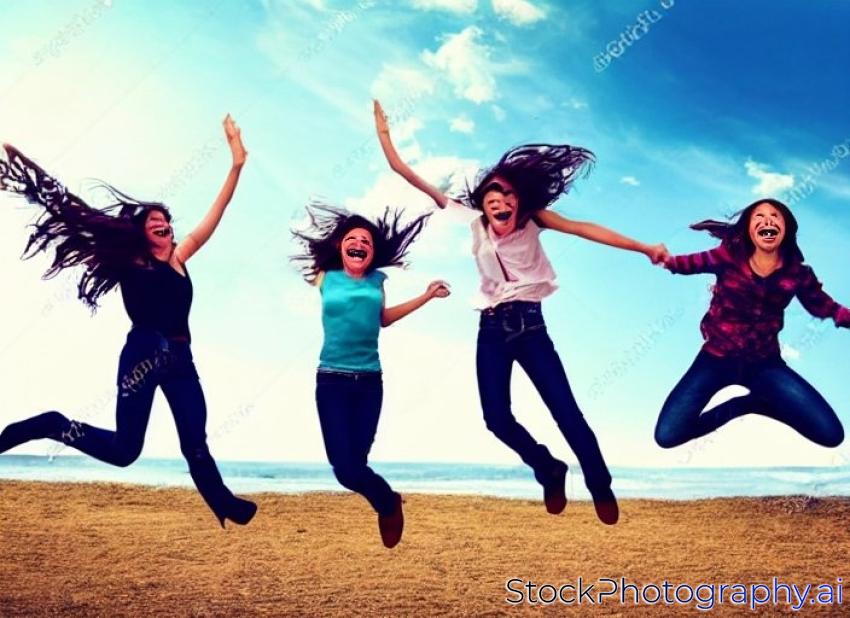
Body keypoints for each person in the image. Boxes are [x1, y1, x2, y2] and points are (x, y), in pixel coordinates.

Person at [373, 100, 669, 524]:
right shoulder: (473, 221)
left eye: (508, 195)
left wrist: (644, 248)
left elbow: (584, 229)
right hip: (491, 328)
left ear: (519, 200)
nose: (501, 202)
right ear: (484, 205)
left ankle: (599, 483)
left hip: (530, 326)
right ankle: (548, 468)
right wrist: (386, 137)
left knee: (565, 411)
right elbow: (408, 174)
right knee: (496, 418)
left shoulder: (534, 219)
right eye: (492, 198)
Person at [0, 116, 257, 528]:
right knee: (126, 451)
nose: (163, 223)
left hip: (181, 359)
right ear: (142, 232)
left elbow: (218, 210)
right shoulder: (131, 261)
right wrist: (32, 177)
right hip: (143, 353)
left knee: (194, 441)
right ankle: (51, 425)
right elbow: (74, 213)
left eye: (165, 220)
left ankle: (222, 501)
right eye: (153, 222)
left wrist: (236, 164)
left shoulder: (180, 257)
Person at [292, 202, 449, 547]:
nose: (359, 243)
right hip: (331, 380)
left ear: (372, 252)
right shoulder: (324, 276)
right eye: (352, 238)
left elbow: (384, 319)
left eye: (366, 241)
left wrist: (426, 296)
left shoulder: (378, 280)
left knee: (357, 464)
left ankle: (386, 503)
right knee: (345, 469)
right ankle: (388, 502)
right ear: (340, 246)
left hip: (369, 383)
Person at [655, 198, 849, 449]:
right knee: (668, 435)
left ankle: (755, 402)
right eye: (759, 216)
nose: (768, 220)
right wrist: (663, 257)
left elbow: (827, 308)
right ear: (748, 229)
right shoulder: (727, 258)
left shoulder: (798, 274)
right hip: (715, 361)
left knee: (831, 435)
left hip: (764, 365)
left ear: (787, 228)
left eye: (775, 216)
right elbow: (685, 264)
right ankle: (739, 406)